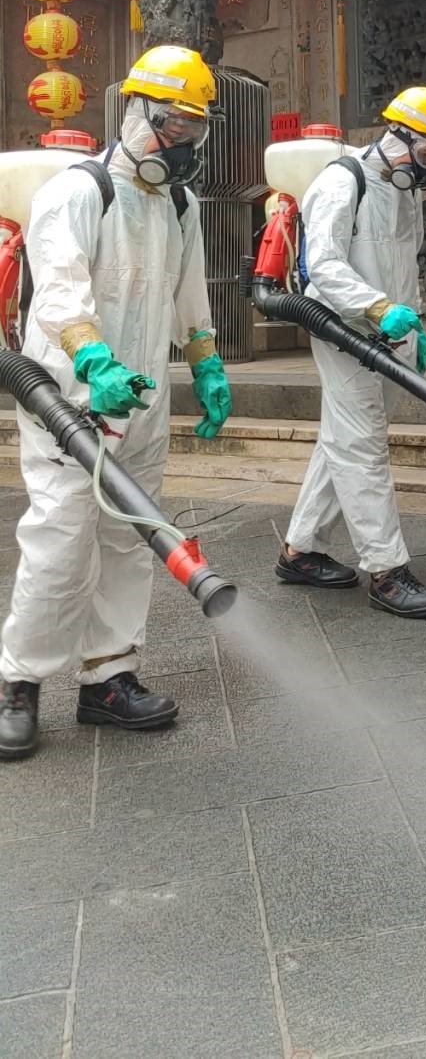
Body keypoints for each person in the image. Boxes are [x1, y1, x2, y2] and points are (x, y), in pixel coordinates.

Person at [0, 45, 232, 761]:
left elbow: (188, 295)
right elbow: (60, 291)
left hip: (145, 400)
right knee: (61, 543)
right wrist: (93, 360)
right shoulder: (78, 191)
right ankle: (18, 684)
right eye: (171, 124)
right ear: (134, 112)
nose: (181, 141)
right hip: (70, 400)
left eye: (193, 128)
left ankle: (109, 676)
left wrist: (207, 364)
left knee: (132, 539)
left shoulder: (180, 203)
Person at [277, 85, 426, 618]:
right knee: (362, 443)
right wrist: (378, 308)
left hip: (388, 331)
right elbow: (324, 265)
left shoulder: (405, 190)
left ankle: (301, 550)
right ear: (398, 137)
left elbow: (405, 263)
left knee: (342, 438)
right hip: (343, 327)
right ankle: (387, 570)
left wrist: (414, 326)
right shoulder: (342, 181)